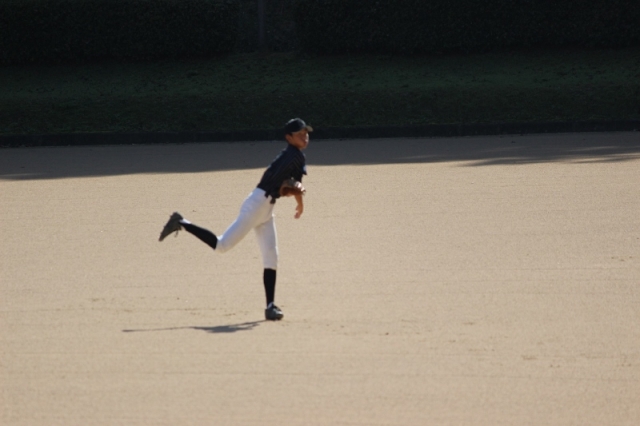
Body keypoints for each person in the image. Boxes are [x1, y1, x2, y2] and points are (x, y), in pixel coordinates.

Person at [158, 118, 312, 321]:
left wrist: (298, 200)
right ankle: (181, 223)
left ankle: (270, 307)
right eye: (300, 133)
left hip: (265, 209)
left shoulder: (295, 156)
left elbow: (290, 184)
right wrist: (292, 192)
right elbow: (283, 183)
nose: (305, 136)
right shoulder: (292, 156)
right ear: (289, 138)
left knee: (271, 257)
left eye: (306, 133)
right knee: (222, 245)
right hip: (257, 205)